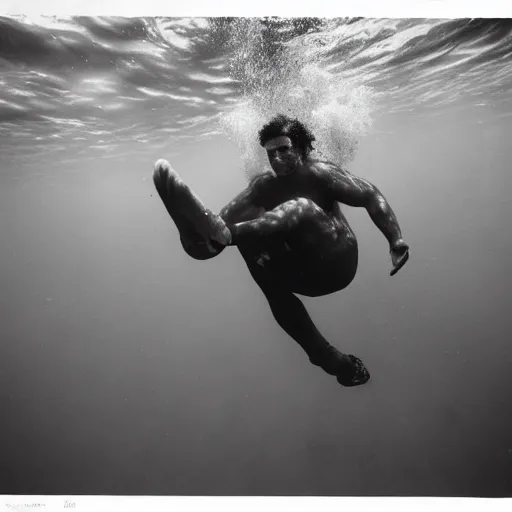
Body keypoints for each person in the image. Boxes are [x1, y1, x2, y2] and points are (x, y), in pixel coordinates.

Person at [153, 114, 409, 387]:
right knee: (248, 244)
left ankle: (225, 238)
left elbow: (371, 195)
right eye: (270, 153)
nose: (276, 159)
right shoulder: (264, 185)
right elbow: (220, 221)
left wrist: (395, 239)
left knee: (299, 208)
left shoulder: (320, 172)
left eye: (284, 150)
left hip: (338, 263)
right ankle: (327, 358)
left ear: (300, 148)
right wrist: (197, 231)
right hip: (302, 275)